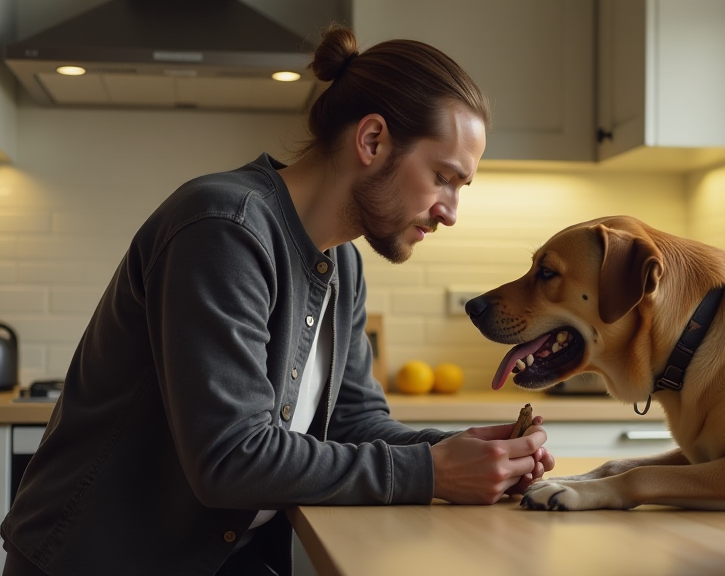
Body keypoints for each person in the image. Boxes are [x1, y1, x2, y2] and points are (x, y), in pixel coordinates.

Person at [0, 25, 555, 576]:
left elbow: (354, 422)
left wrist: (467, 451)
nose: (450, 211)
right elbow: (230, 458)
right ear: (372, 140)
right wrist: (432, 472)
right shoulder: (224, 228)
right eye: (443, 177)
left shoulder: (343, 263)